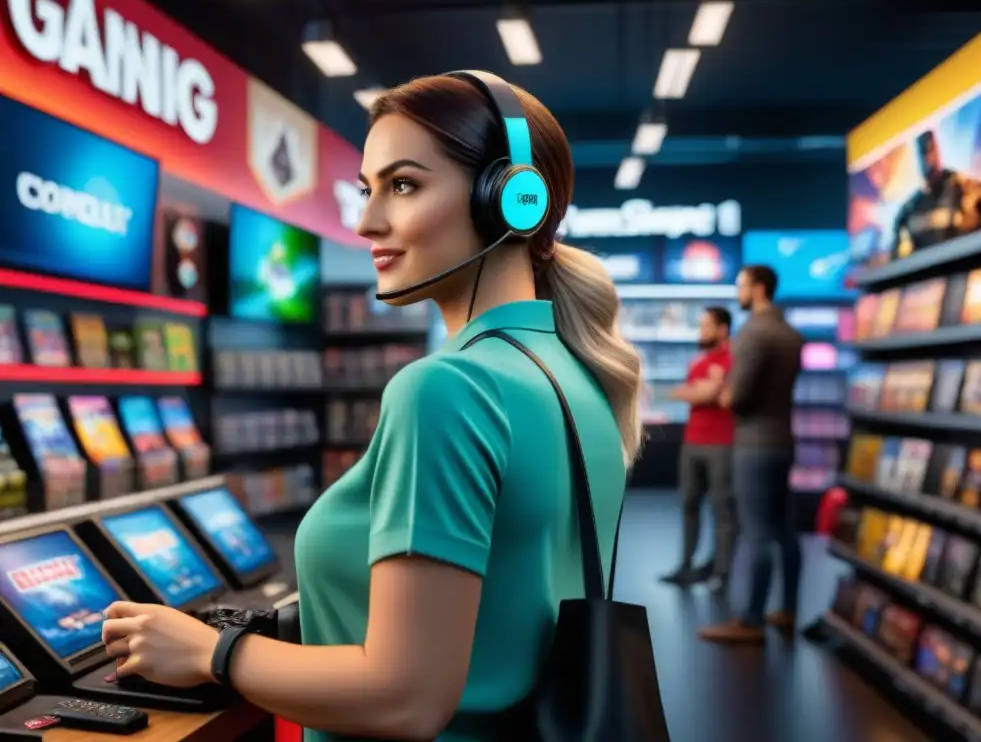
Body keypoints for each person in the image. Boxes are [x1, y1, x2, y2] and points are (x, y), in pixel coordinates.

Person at [99, 72, 644, 740]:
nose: (365, 221)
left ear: (510, 203)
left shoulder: (447, 390)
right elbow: (504, 605)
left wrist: (209, 652)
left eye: (404, 185)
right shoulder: (579, 376)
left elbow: (404, 698)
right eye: (367, 189)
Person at [698, 264, 803, 644]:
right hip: (784, 440)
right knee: (786, 532)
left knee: (756, 532)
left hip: (754, 445)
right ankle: (788, 610)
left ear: (758, 289)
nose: (738, 292)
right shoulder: (791, 334)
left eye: (741, 285)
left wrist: (721, 390)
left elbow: (737, 398)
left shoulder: (752, 333)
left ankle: (751, 621)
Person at [661, 306, 736, 590]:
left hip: (722, 443)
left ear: (722, 329)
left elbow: (708, 393)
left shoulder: (733, 359)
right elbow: (699, 392)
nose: (701, 332)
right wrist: (700, 391)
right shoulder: (699, 363)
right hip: (693, 442)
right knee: (689, 504)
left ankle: (721, 572)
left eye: (706, 326)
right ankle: (686, 565)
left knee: (722, 509)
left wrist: (698, 391)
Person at [890, 129, 981, 260]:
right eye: (922, 153)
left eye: (930, 150)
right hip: (931, 277)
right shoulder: (908, 210)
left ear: (937, 151)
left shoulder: (971, 190)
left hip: (972, 273)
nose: (927, 158)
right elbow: (898, 262)